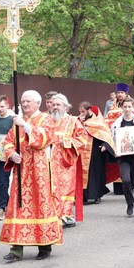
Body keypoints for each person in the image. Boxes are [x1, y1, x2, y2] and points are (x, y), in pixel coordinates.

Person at [0, 90, 62, 261]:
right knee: (18, 206)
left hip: (39, 170)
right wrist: (12, 154)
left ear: (37, 103)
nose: (25, 104)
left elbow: (44, 139)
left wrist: (25, 126)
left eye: (28, 101)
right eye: (23, 101)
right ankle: (16, 248)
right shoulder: (17, 122)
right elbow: (8, 142)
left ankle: (44, 246)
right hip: (21, 171)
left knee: (39, 204)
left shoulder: (45, 119)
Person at [49, 94, 88, 227]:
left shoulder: (73, 121)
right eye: (53, 104)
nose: (55, 107)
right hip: (48, 161)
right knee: (50, 188)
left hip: (65, 162)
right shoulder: (47, 120)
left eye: (58, 105)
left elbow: (83, 139)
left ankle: (65, 215)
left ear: (66, 107)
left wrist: (65, 142)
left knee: (65, 188)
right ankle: (52, 214)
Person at [110, 97, 134, 218]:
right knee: (125, 180)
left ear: (133, 107)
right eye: (125, 107)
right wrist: (116, 149)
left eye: (129, 107)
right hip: (123, 156)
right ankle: (130, 204)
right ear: (121, 108)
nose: (127, 109)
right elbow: (114, 140)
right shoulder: (117, 124)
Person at [79, 102, 113, 205]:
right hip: (82, 151)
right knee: (82, 173)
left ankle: (96, 194)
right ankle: (83, 195)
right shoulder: (79, 121)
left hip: (96, 151)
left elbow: (107, 135)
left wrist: (105, 145)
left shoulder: (98, 122)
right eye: (80, 111)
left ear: (89, 110)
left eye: (83, 111)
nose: (81, 114)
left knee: (96, 173)